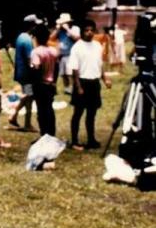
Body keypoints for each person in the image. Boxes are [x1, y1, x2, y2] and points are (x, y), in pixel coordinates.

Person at [69, 19, 112, 151]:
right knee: (78, 113)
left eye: (91, 30)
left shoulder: (98, 45)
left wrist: (105, 79)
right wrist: (78, 87)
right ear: (82, 32)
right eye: (86, 30)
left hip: (94, 82)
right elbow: (74, 70)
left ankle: (91, 139)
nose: (89, 33)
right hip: (82, 82)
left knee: (91, 113)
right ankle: (74, 140)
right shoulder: (77, 47)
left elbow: (100, 65)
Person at [8, 14, 41, 132]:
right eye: (35, 25)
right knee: (29, 96)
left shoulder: (20, 37)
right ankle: (23, 121)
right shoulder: (27, 40)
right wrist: (36, 70)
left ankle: (18, 118)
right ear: (31, 26)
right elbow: (29, 59)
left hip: (21, 73)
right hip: (27, 74)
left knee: (28, 96)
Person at [30, 24, 59, 136]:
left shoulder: (36, 52)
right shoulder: (53, 51)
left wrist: (31, 68)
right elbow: (56, 67)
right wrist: (54, 81)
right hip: (51, 83)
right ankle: (52, 133)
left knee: (41, 112)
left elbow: (36, 68)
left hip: (41, 84)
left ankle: (44, 134)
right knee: (49, 110)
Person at [50, 13, 80, 94]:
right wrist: (58, 29)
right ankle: (67, 88)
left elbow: (77, 38)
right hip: (62, 55)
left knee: (71, 74)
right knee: (63, 74)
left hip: (71, 54)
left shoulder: (74, 28)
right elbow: (51, 38)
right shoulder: (60, 31)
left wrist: (67, 30)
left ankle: (75, 88)